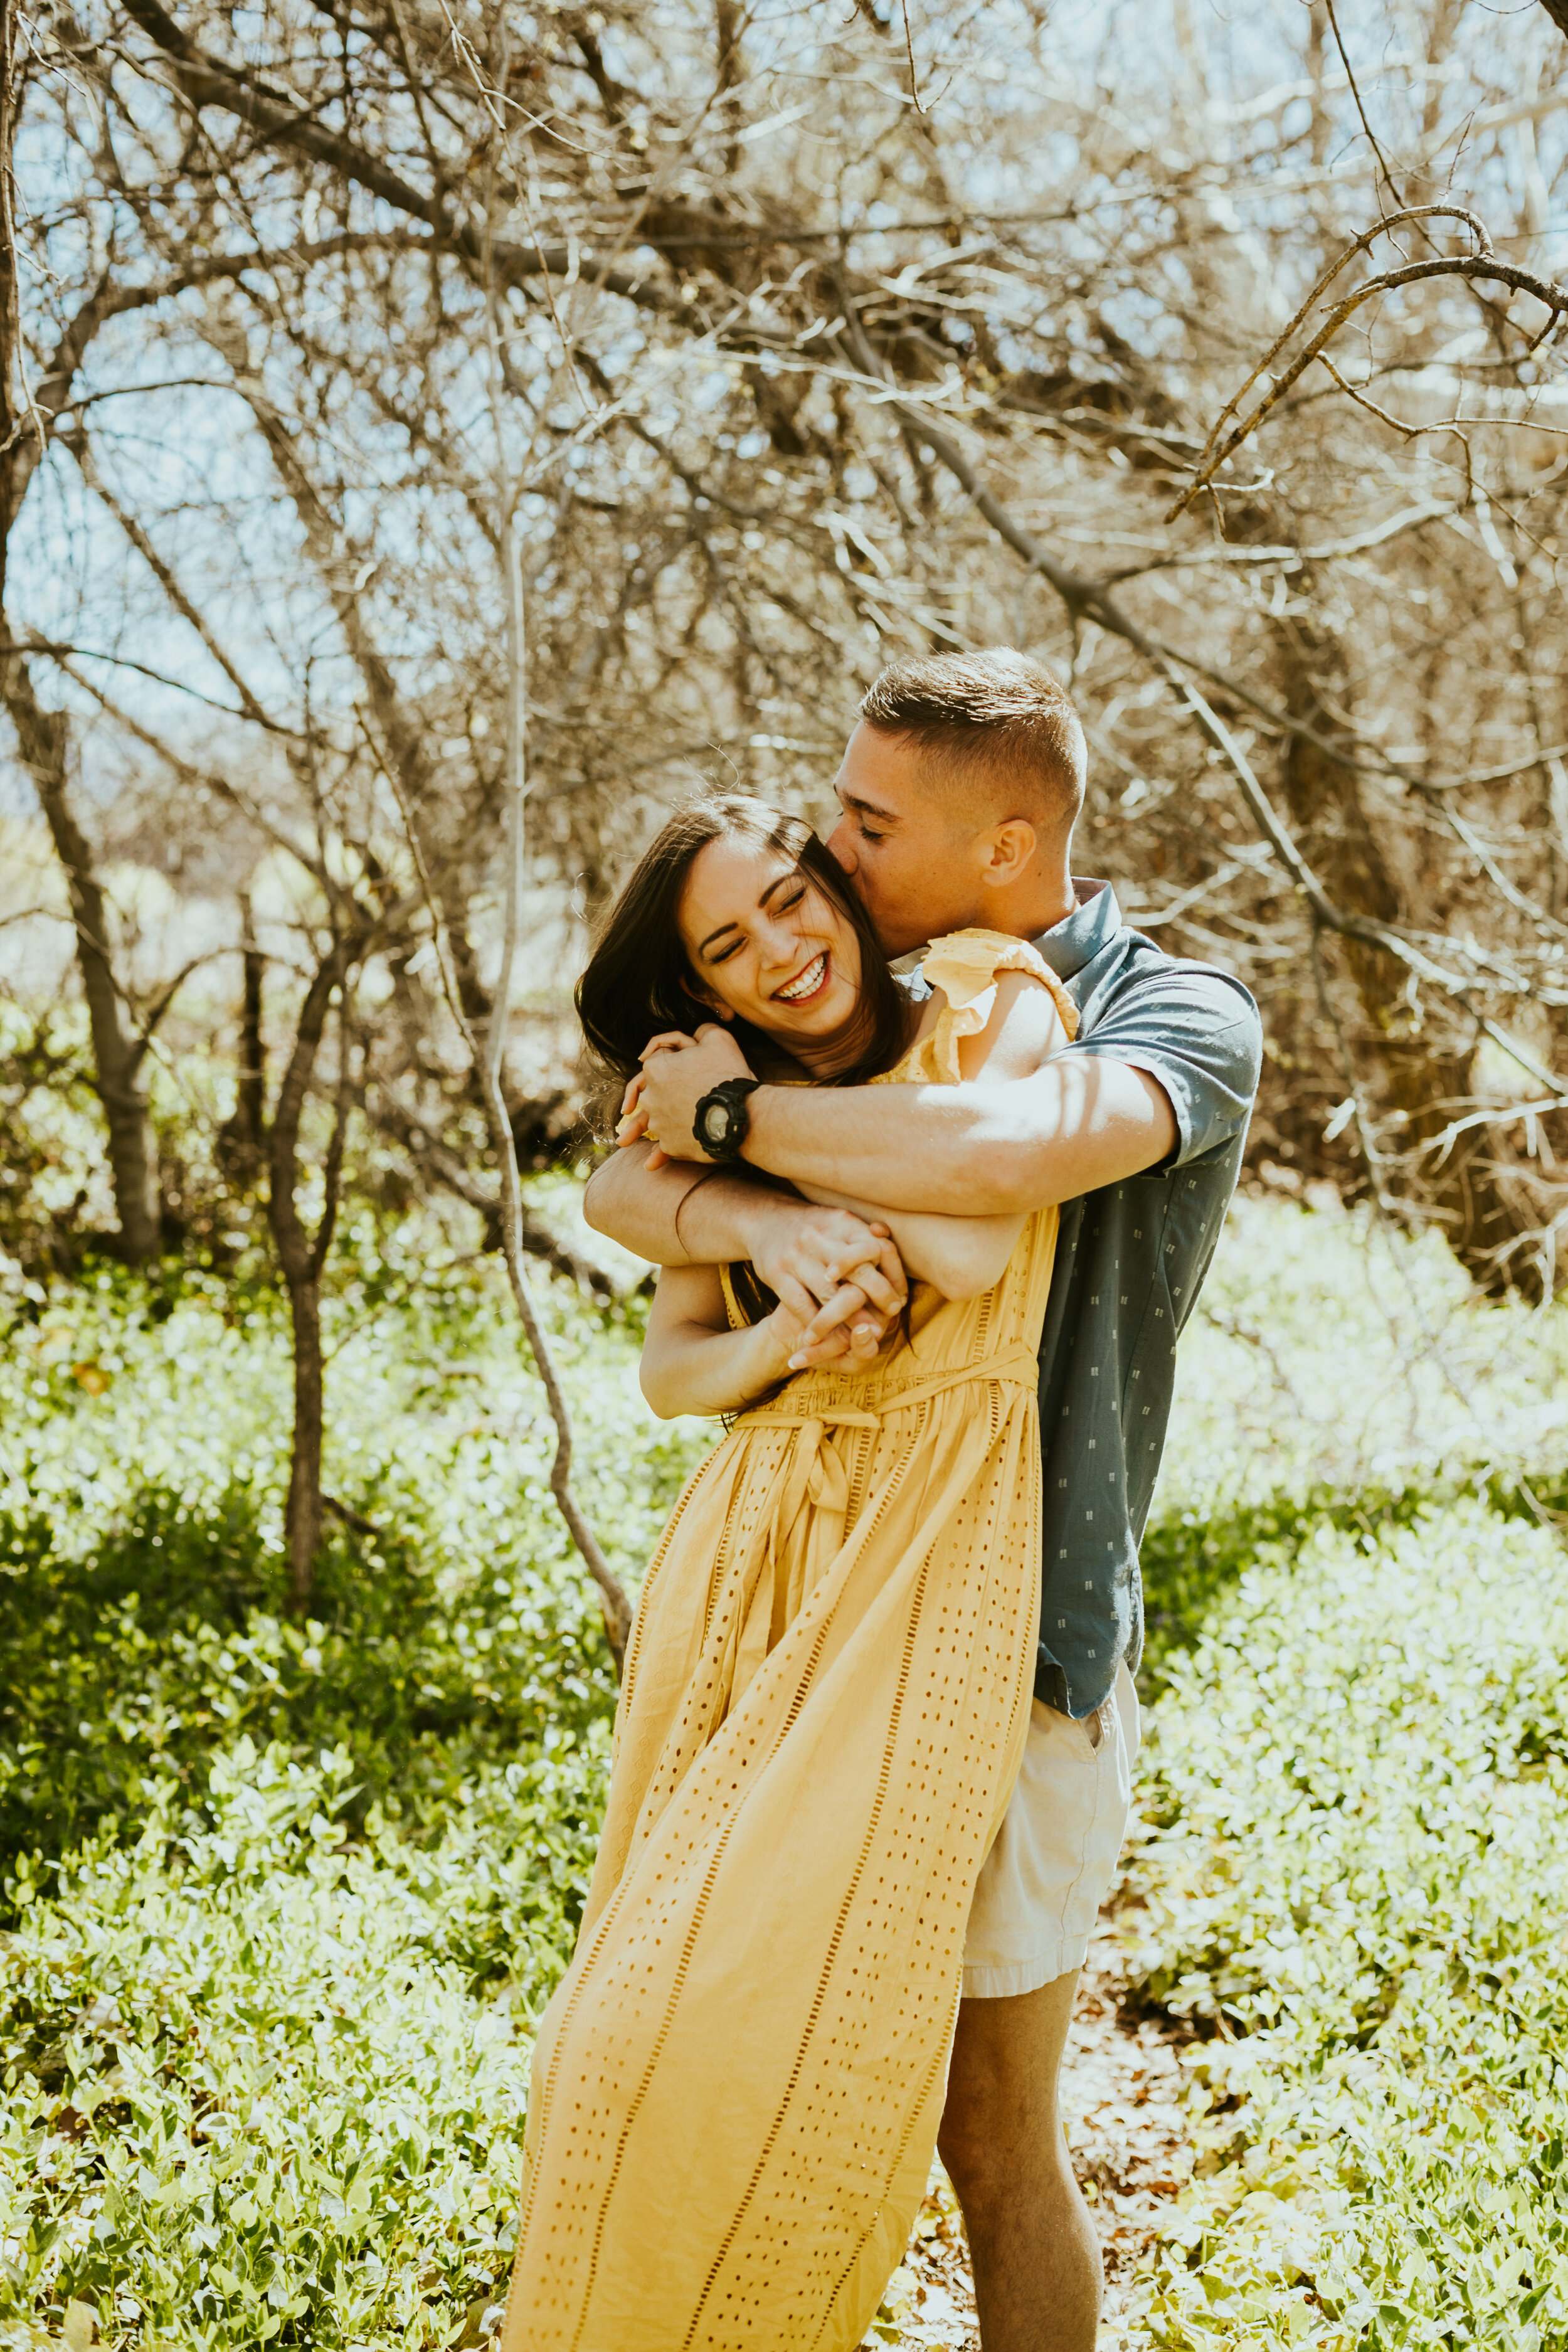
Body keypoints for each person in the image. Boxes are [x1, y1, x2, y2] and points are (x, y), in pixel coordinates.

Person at [588, 649, 1264, 2352]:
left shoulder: (1165, 1013)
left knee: (986, 2132)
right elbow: (623, 1172)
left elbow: (987, 1169)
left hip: (1026, 1619)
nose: (831, 846)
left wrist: (741, 1123)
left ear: (1002, 842)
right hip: (816, 1614)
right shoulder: (844, 996)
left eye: (864, 820)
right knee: (689, 2042)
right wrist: (751, 1219)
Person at [501, 790, 1081, 2352]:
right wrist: (778, 1312)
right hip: (746, 1560)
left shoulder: (973, 1002)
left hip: (926, 1545)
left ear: (831, 879)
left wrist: (739, 1153)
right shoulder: (706, 1099)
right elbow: (673, 1372)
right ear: (695, 989)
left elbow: (966, 1251)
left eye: (787, 897)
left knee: (802, 2040)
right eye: (724, 947)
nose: (778, 948)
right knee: (624, 2029)